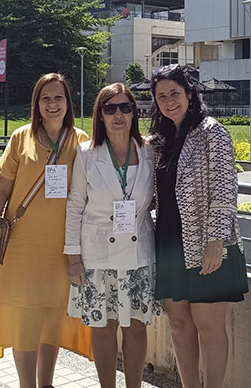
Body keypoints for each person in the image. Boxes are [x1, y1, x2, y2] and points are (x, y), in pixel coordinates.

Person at [0, 73, 92, 388]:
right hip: (21, 246)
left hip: (62, 248)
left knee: (51, 317)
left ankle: (46, 384)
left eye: (59, 97)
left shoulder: (80, 141)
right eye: (46, 98)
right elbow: (1, 187)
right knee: (24, 320)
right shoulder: (21, 138)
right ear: (37, 104)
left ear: (68, 102)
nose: (52, 104)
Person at [148, 64, 248, 388]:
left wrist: (216, 241)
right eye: (161, 96)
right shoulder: (160, 141)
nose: (169, 101)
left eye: (174, 93)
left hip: (207, 243)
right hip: (168, 242)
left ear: (190, 93)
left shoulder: (212, 132)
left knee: (208, 325)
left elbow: (225, 187)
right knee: (178, 324)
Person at [64, 83, 158, 388]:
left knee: (136, 327)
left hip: (138, 252)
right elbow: (75, 205)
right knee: (102, 327)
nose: (118, 115)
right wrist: (73, 256)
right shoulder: (87, 154)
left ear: (134, 112)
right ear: (100, 115)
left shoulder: (148, 151)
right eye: (110, 108)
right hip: (97, 255)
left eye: (125, 107)